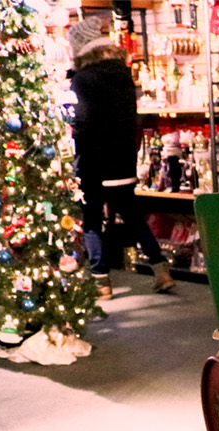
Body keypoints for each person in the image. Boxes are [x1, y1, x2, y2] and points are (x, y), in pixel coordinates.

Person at [68, 16, 174, 298]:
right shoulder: (122, 74)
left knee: (91, 219)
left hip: (95, 161)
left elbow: (85, 120)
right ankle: (161, 268)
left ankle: (101, 281)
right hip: (123, 158)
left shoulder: (83, 80)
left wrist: (74, 131)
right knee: (132, 215)